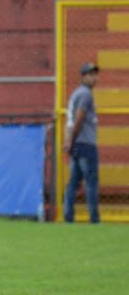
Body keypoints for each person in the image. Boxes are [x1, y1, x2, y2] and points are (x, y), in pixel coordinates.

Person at [63, 62, 101, 223]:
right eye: (91, 75)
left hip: (76, 144)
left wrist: (69, 141)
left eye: (95, 75)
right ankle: (94, 219)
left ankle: (68, 217)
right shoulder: (86, 94)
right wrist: (72, 140)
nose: (94, 78)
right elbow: (79, 118)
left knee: (73, 183)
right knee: (91, 183)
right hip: (85, 143)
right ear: (84, 76)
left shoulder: (75, 93)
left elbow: (70, 120)